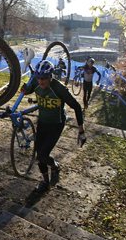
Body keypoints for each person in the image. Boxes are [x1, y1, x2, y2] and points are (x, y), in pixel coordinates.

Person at [21, 60, 86, 192]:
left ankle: (54, 166)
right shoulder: (36, 82)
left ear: (51, 76)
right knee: (39, 155)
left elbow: (77, 107)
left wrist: (81, 131)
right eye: (38, 78)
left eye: (44, 78)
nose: (41, 82)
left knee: (43, 155)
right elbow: (25, 90)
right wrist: (24, 89)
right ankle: (45, 181)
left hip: (56, 124)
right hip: (42, 122)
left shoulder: (59, 88)